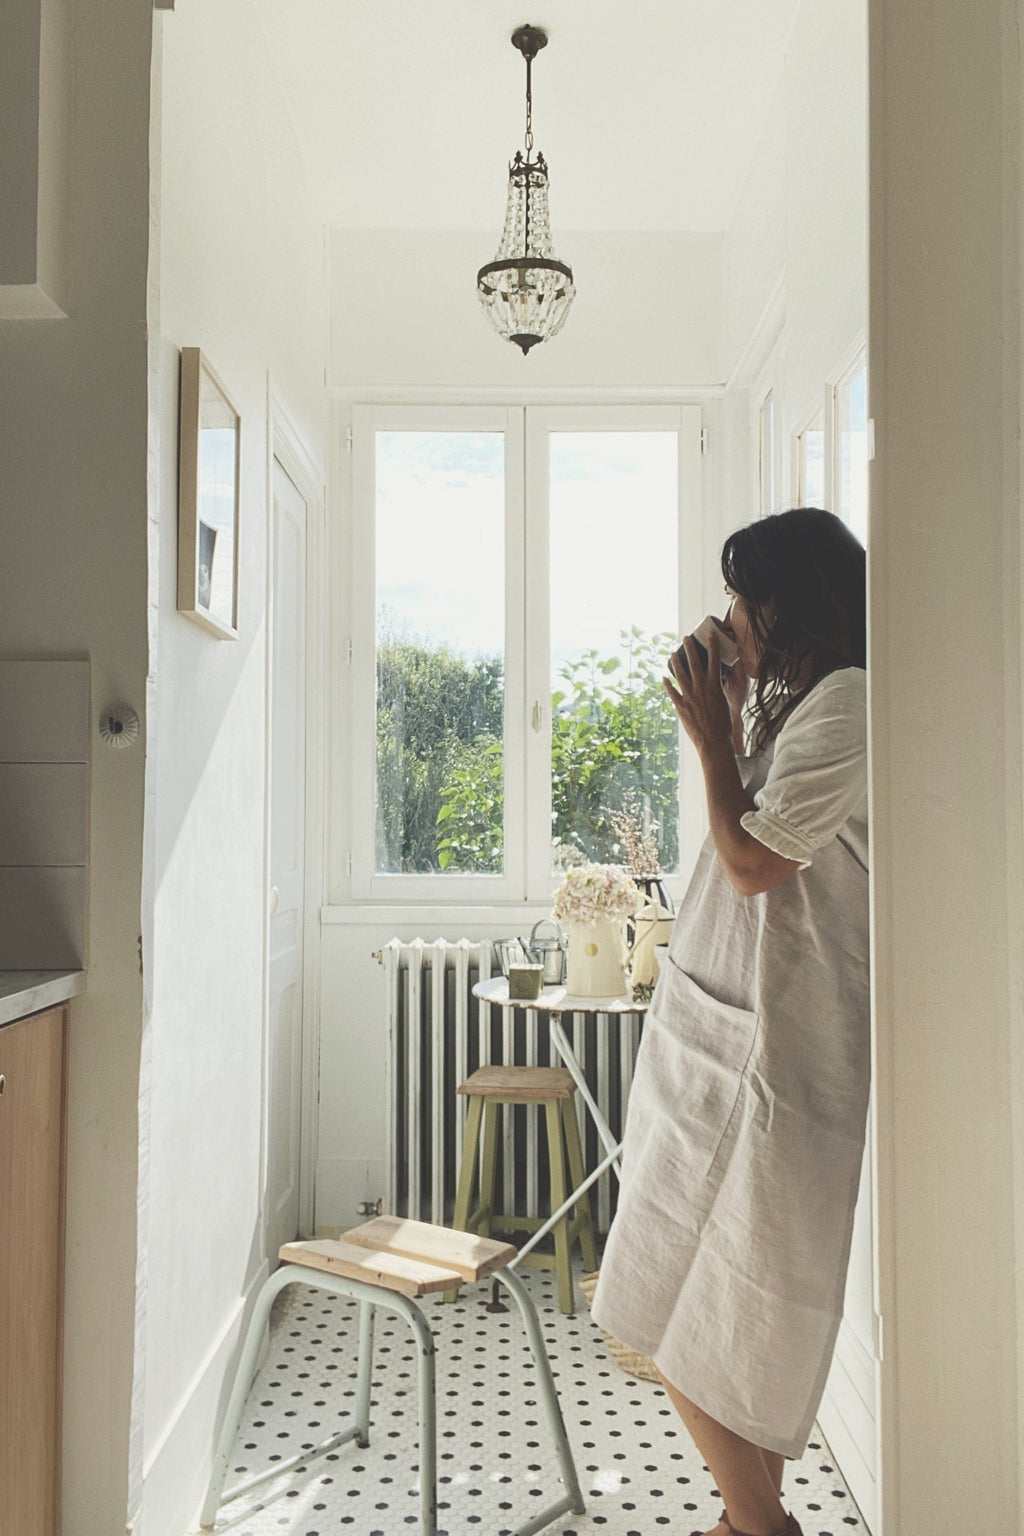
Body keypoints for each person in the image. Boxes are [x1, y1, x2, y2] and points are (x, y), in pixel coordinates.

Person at [592, 508, 869, 1536]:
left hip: (776, 1058)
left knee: (700, 1312)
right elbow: (741, 834)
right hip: (727, 1046)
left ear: (784, 604)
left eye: (741, 601)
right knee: (691, 1303)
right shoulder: (803, 706)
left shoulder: (847, 704)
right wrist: (734, 707)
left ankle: (757, 1526)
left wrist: (711, 735)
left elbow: (754, 865)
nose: (728, 621)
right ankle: (748, 1519)